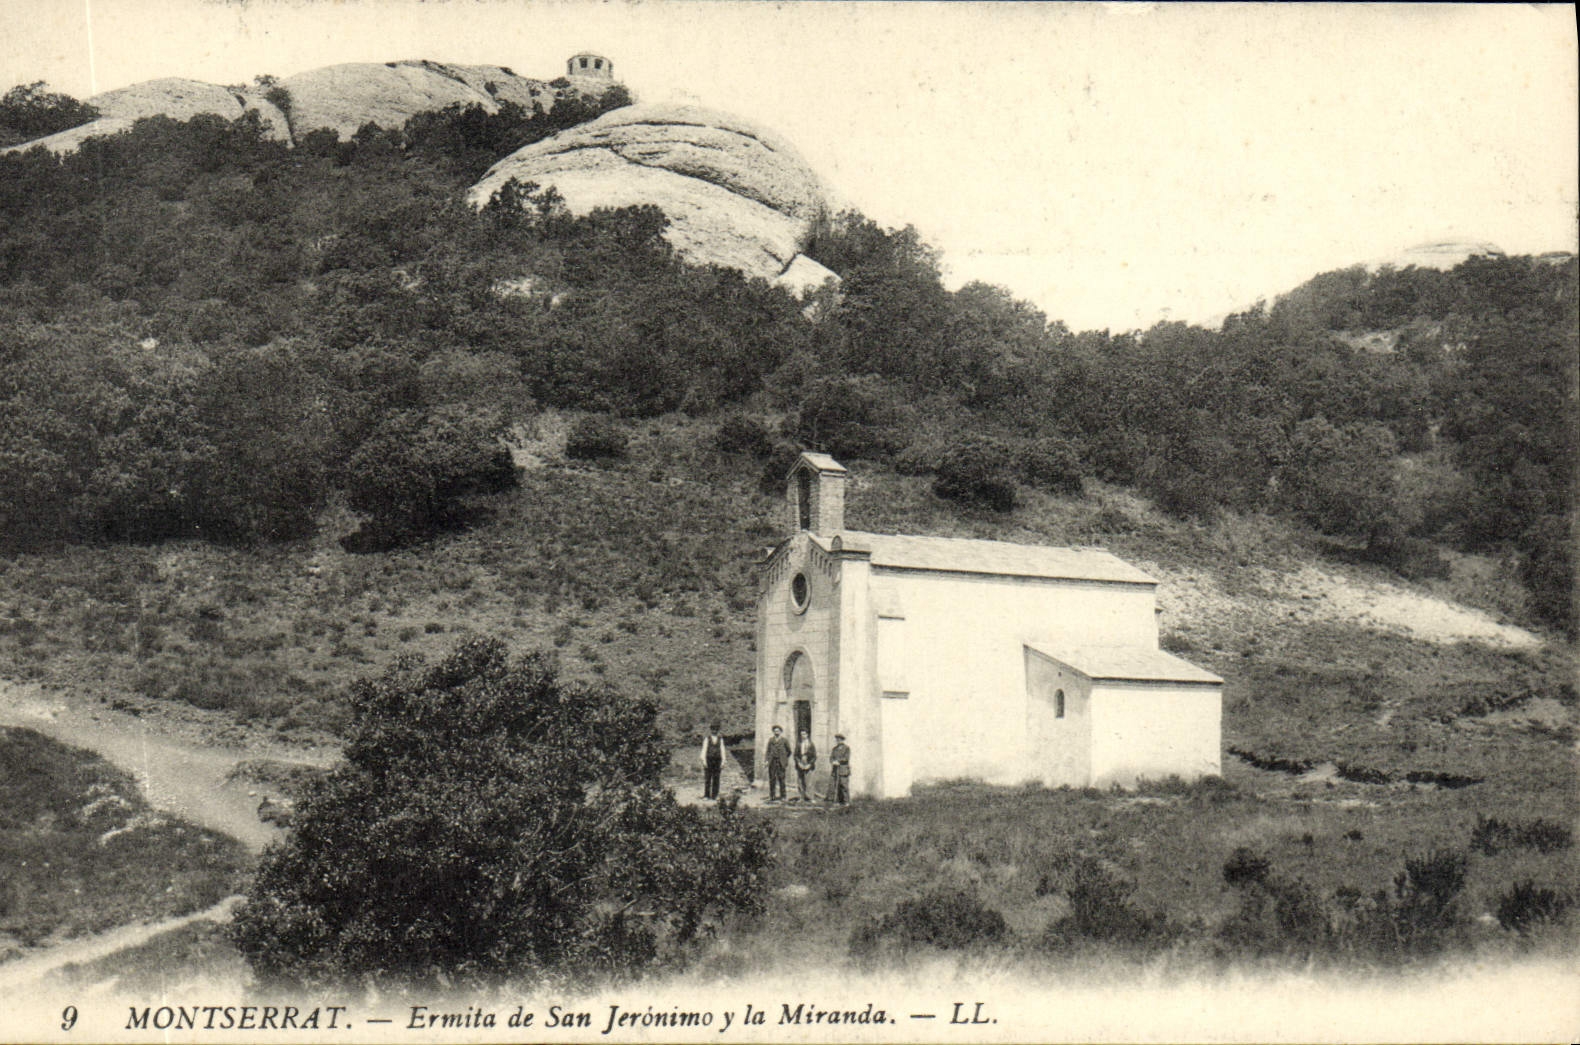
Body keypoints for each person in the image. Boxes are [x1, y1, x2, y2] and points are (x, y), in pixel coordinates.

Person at [764, 725, 791, 802]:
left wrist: (784, 758)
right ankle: (772, 796)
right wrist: (766, 760)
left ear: (781, 732)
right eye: (775, 731)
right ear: (773, 732)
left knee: (781, 779)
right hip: (772, 762)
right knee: (772, 779)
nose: (776, 732)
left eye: (778, 731)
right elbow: (768, 751)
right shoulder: (771, 740)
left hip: (781, 762)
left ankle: (783, 796)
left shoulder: (784, 740)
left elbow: (789, 751)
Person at [700, 724, 725, 800]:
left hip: (717, 760)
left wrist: (723, 761)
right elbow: (704, 750)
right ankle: (706, 795)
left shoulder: (720, 739)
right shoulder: (707, 739)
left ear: (718, 730)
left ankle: (715, 795)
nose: (714, 731)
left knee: (716, 778)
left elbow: (722, 750)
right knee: (708, 778)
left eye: (716, 729)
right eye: (713, 729)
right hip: (709, 760)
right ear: (711, 730)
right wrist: (704, 760)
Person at [794, 729, 817, 802]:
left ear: (807, 735)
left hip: (808, 764)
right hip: (800, 764)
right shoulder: (799, 744)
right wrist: (799, 763)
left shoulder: (811, 744)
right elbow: (795, 755)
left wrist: (809, 764)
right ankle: (801, 797)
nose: (802, 736)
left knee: (809, 781)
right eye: (801, 734)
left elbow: (814, 756)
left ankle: (810, 797)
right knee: (800, 781)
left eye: (804, 734)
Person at [829, 733, 851, 805]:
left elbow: (846, 758)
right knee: (836, 785)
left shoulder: (846, 748)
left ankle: (846, 801)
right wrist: (833, 762)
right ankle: (838, 801)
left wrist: (838, 761)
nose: (838, 741)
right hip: (835, 769)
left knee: (844, 785)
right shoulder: (834, 749)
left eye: (840, 739)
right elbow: (831, 758)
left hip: (843, 770)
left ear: (842, 740)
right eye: (837, 739)